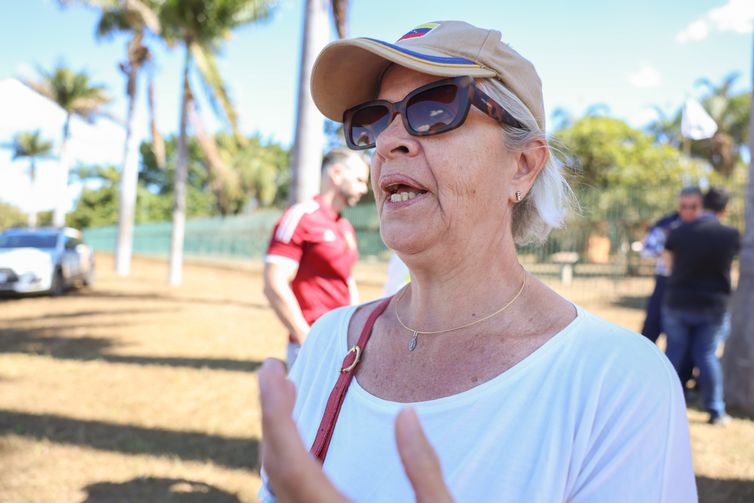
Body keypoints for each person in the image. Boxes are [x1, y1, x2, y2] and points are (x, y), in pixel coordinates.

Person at [259, 20, 696, 501]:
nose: (387, 142)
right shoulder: (327, 345)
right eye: (375, 119)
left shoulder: (617, 381)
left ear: (523, 166)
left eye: (433, 109)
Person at [263, 148, 369, 367]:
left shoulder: (345, 227)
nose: (364, 189)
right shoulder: (301, 217)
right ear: (337, 174)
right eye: (359, 180)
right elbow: (274, 283)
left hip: (343, 343)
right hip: (311, 346)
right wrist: (306, 338)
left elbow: (346, 278)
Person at [663, 187, 740, 425]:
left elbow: (668, 267)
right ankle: (716, 410)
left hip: (678, 302)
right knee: (707, 356)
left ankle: (665, 406)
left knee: (674, 353)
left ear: (701, 205)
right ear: (725, 209)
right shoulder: (731, 234)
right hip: (713, 305)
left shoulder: (678, 232)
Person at [640, 187, 703, 343]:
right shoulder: (666, 225)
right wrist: (666, 253)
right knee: (651, 327)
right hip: (666, 282)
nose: (688, 211)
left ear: (701, 206)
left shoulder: (706, 228)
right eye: (683, 206)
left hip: (694, 285)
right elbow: (647, 249)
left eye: (693, 206)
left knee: (685, 339)